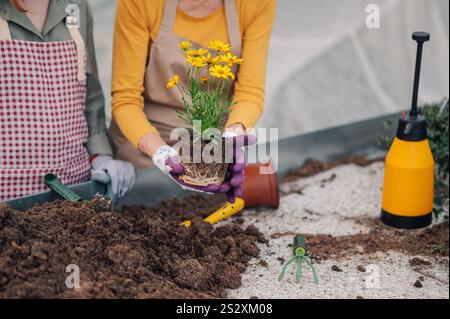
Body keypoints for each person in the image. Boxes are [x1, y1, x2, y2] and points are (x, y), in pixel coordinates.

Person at [110, 0, 276, 202]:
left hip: (209, 152)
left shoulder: (256, 4)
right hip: (145, 150)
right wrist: (161, 154)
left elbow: (250, 92)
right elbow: (125, 99)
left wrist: (232, 136)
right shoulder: (141, 3)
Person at [0, 0, 135, 201]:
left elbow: (91, 98)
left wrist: (100, 156)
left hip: (73, 190)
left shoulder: (76, 6)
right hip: (8, 196)